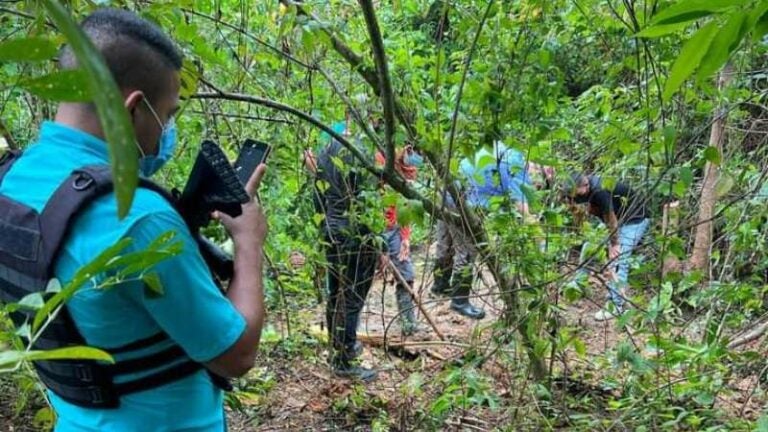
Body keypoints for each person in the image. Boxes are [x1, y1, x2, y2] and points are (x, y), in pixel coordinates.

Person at [0, 9, 267, 431]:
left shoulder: (11, 181)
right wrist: (249, 242)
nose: (167, 131)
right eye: (168, 114)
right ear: (133, 109)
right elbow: (236, 354)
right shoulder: (142, 221)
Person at [307, 124, 379, 382]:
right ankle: (344, 358)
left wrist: (324, 226)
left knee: (336, 292)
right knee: (351, 296)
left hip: (332, 230)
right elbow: (368, 201)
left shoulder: (326, 149)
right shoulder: (361, 150)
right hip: (353, 233)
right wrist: (374, 237)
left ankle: (338, 347)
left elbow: (317, 194)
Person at [431, 142, 533, 319]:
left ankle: (440, 286)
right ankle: (459, 301)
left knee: (445, 242)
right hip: (463, 199)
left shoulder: (500, 149)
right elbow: (522, 208)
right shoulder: (516, 163)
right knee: (467, 249)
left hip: (445, 190)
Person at [567, 173, 650, 321]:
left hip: (634, 219)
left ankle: (615, 305)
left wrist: (614, 244)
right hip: (617, 218)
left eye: (578, 193)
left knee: (618, 258)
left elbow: (611, 220)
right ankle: (578, 284)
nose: (576, 197)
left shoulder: (600, 191)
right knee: (589, 246)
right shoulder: (577, 190)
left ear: (585, 185)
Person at [375, 145, 424, 336]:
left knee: (406, 274)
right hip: (375, 226)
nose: (415, 162)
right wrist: (382, 248)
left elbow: (406, 205)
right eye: (414, 154)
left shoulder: (410, 171)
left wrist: (405, 238)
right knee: (361, 277)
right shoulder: (380, 162)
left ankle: (409, 324)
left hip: (395, 227)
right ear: (407, 148)